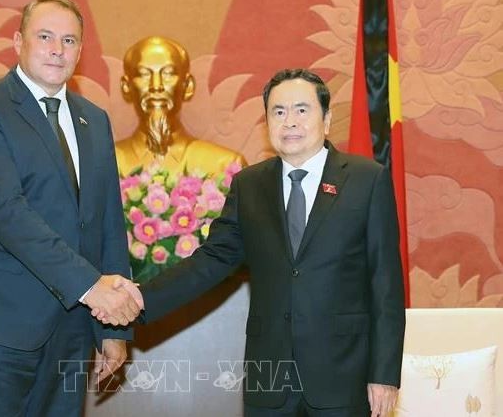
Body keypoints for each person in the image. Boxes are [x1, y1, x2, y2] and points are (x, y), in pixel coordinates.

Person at [108, 69, 406, 416]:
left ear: (326, 120)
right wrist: (140, 299)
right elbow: (211, 261)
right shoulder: (249, 186)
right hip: (270, 381)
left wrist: (384, 376)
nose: (289, 121)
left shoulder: (366, 180)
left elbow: (386, 285)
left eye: (301, 110)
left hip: (343, 376)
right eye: (278, 112)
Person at [0, 0, 143, 417]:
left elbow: (106, 221)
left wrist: (113, 328)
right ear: (18, 42)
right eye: (45, 36)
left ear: (80, 52)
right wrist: (94, 288)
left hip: (70, 327)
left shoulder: (94, 119)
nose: (57, 49)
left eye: (69, 40)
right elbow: (6, 213)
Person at [115, 36, 246, 176]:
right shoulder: (105, 165)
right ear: (126, 87)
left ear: (188, 86)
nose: (156, 86)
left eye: (168, 73)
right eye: (143, 74)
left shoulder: (225, 166)